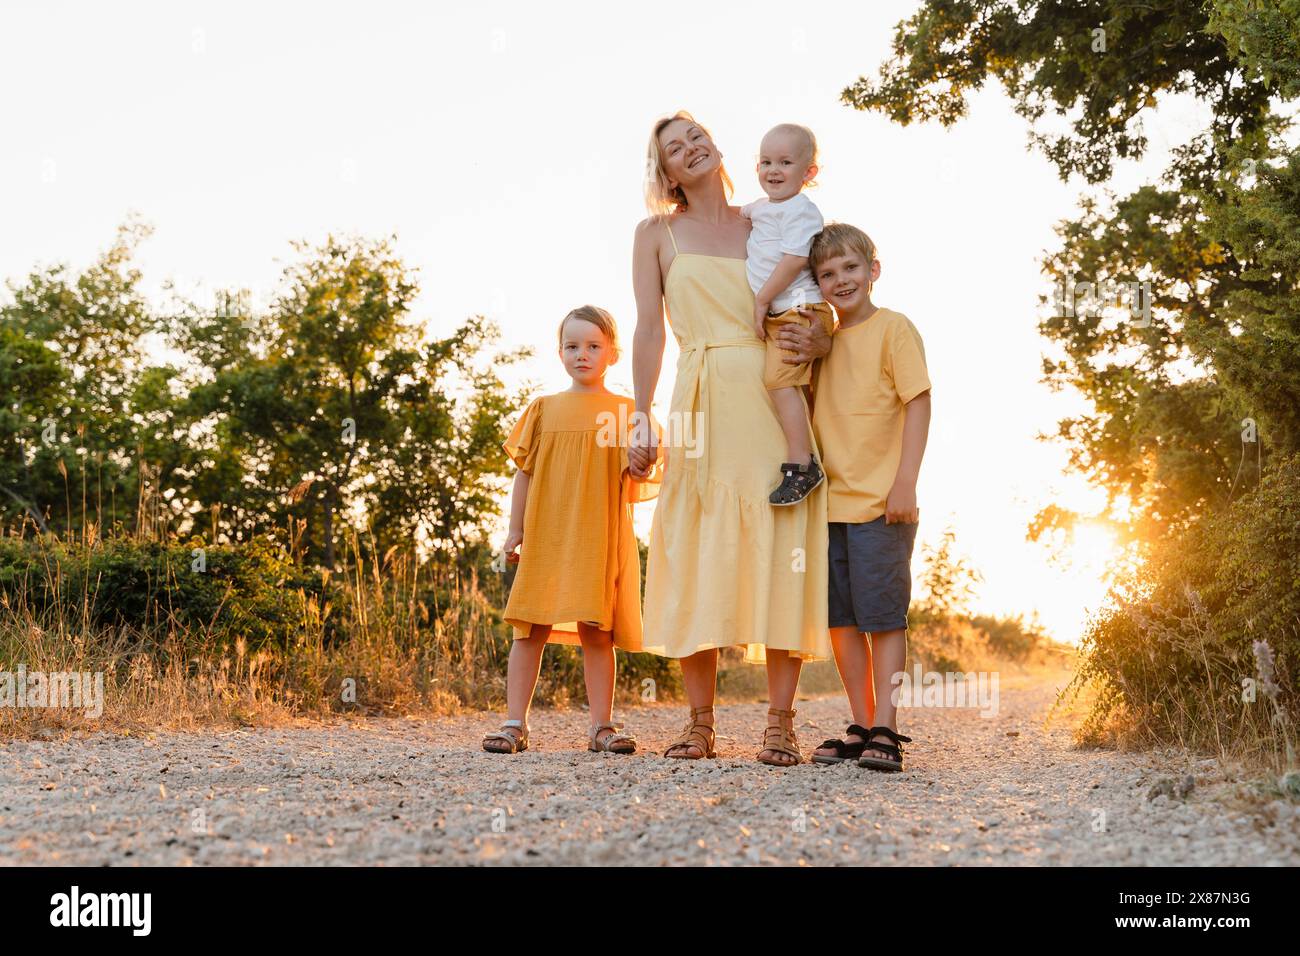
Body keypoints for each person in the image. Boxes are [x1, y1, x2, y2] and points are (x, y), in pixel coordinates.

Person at [628, 111, 832, 767]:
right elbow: (650, 331)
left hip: (772, 391)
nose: (690, 149)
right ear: (665, 172)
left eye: (695, 137)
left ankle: (780, 724)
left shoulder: (768, 218)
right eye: (674, 149)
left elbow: (817, 293)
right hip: (698, 392)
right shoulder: (655, 233)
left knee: (780, 543)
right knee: (695, 547)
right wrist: (641, 413)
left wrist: (822, 335)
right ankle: (698, 725)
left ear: (715, 147)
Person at [482, 306, 659, 756]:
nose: (583, 354)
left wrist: (642, 458)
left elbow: (639, 478)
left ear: (613, 353)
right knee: (530, 628)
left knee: (596, 632)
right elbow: (524, 472)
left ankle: (602, 726)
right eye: (572, 346)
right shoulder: (543, 409)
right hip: (546, 533)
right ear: (559, 352)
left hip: (596, 538)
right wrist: (514, 529)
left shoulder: (625, 412)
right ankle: (513, 724)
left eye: (594, 346)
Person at [804, 224, 932, 773]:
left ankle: (888, 726)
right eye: (827, 274)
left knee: (883, 618)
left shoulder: (894, 329)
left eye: (850, 268)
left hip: (882, 502)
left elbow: (919, 402)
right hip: (827, 507)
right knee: (841, 620)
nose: (841, 279)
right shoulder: (822, 342)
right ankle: (861, 722)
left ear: (873, 269)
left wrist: (906, 480)